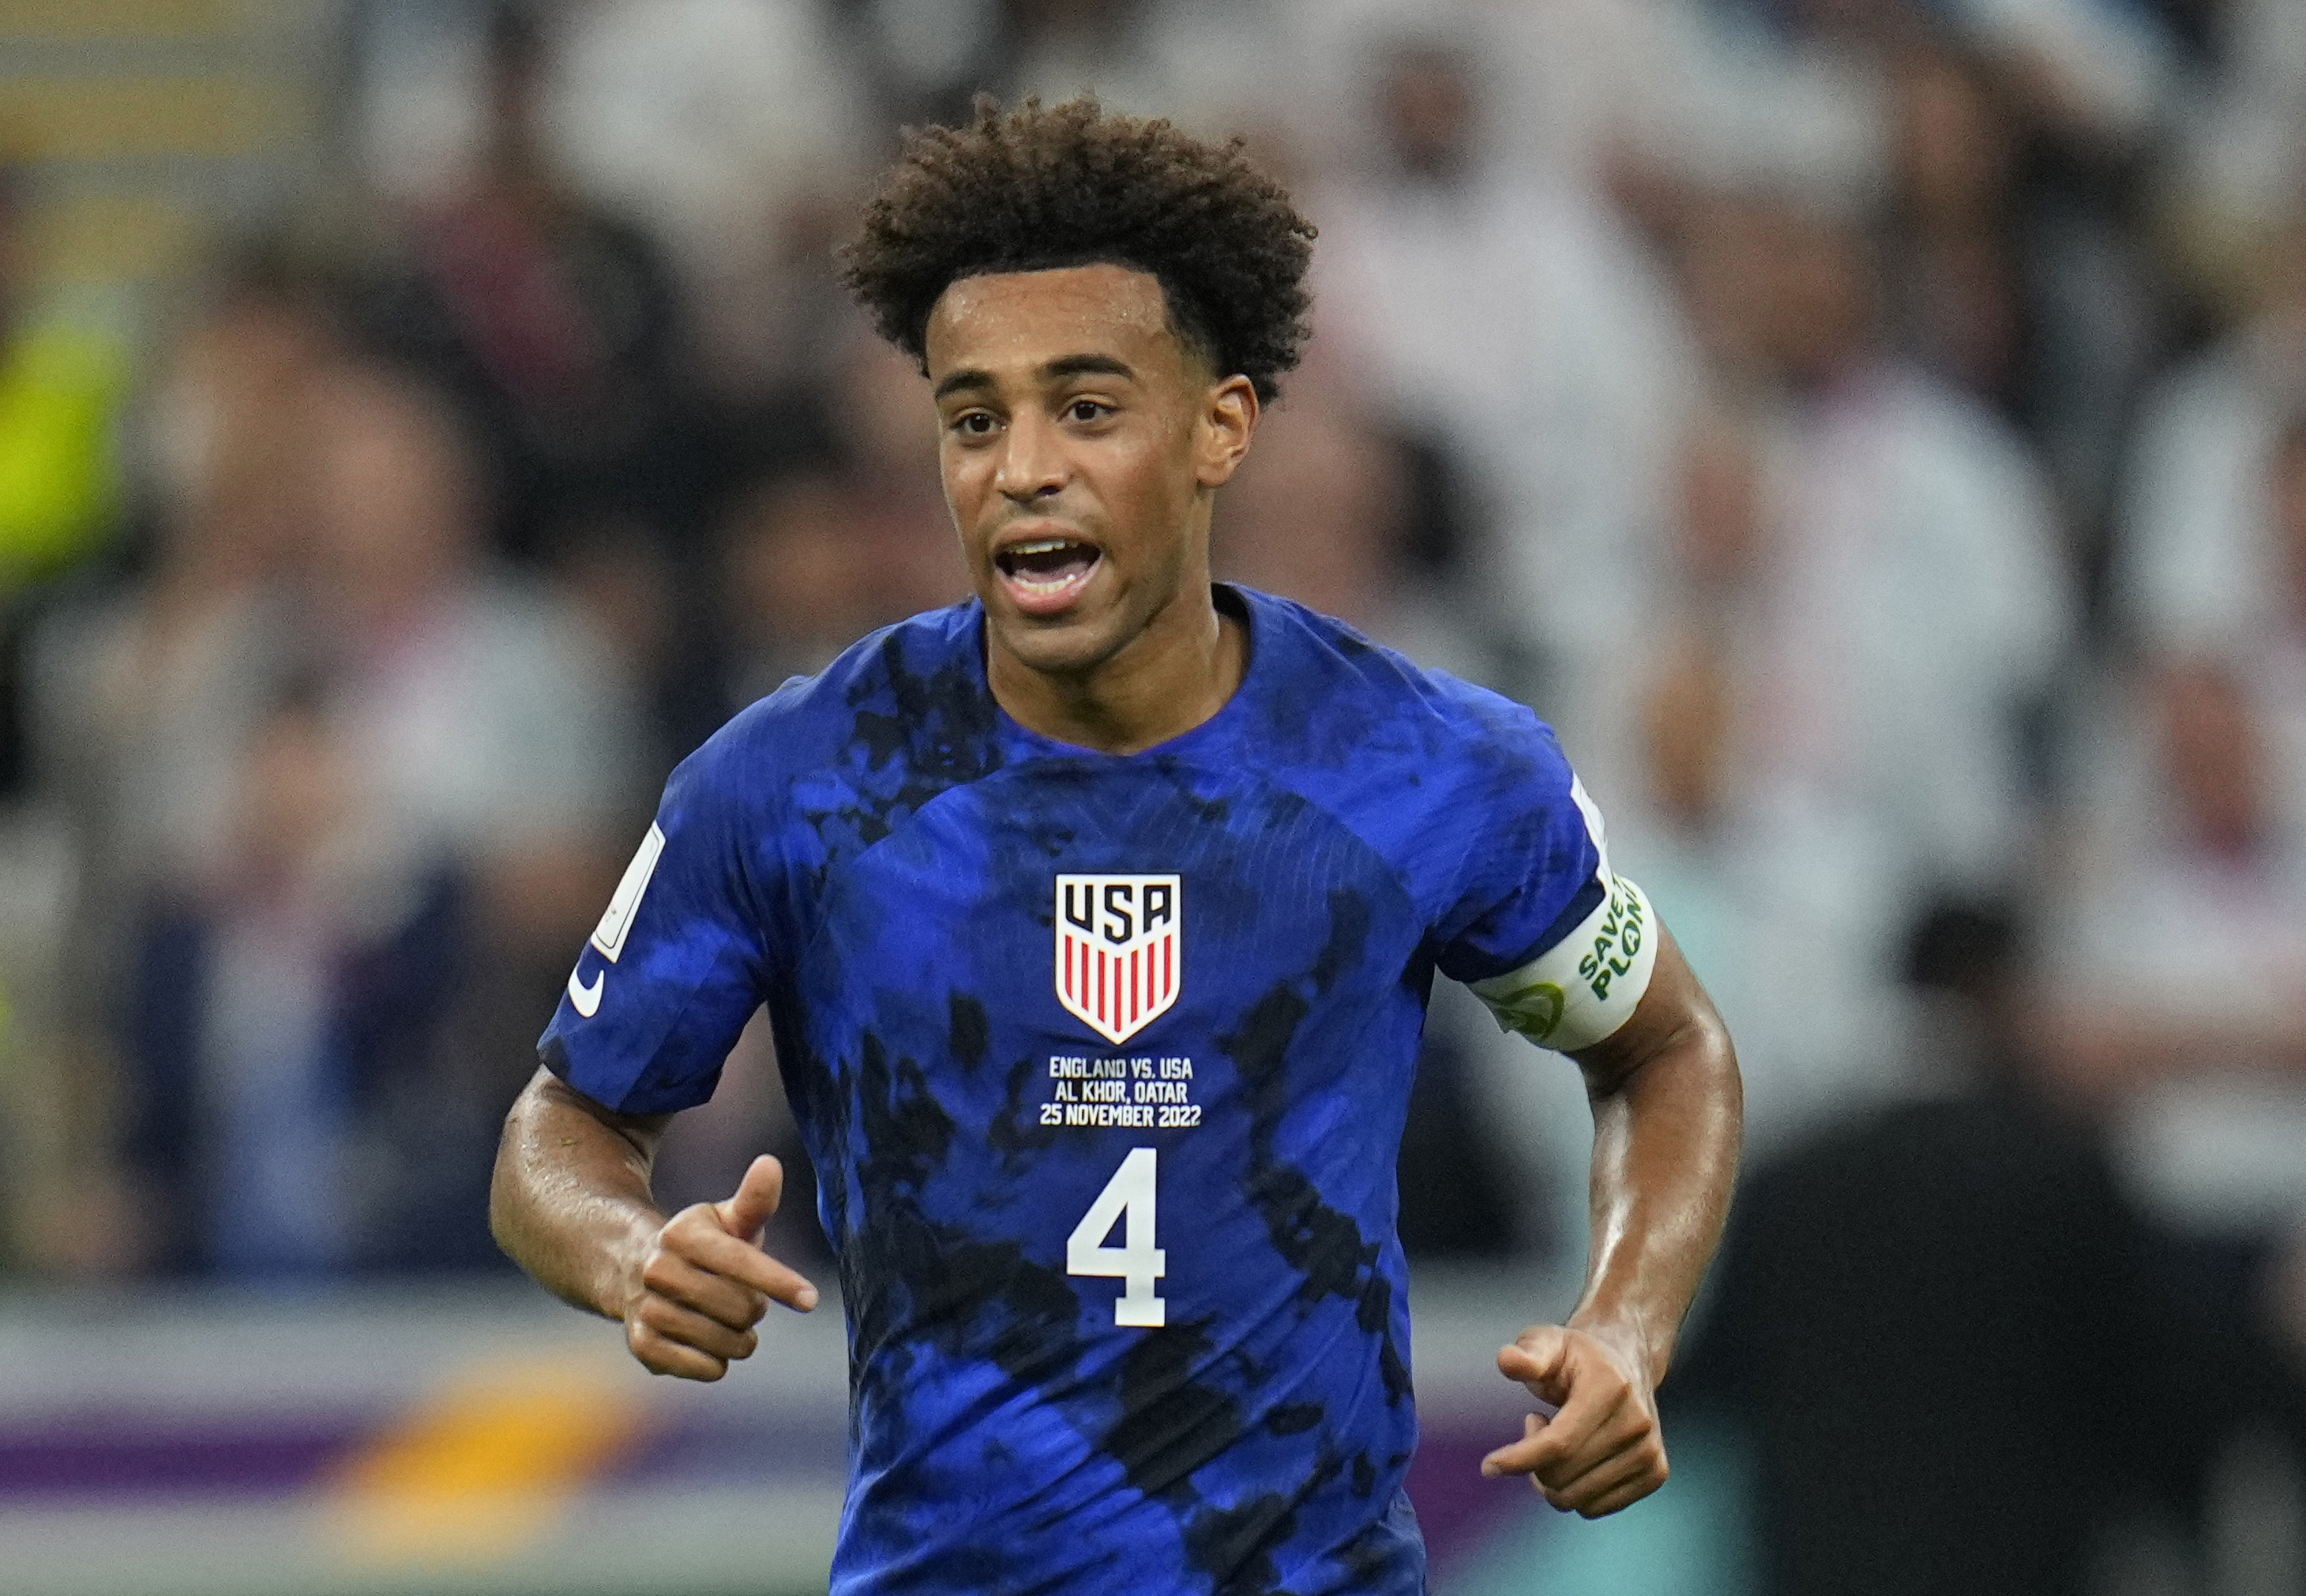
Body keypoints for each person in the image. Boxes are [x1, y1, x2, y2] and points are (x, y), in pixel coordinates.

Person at [490, 98, 1741, 1594]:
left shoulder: (1427, 768)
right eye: (974, 418)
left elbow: (1668, 1052)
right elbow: (560, 1130)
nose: (1022, 466)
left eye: (1085, 408)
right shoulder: (795, 781)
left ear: (1222, 427)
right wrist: (629, 1249)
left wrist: (1628, 1322)